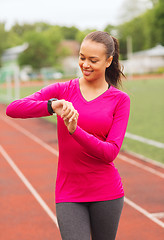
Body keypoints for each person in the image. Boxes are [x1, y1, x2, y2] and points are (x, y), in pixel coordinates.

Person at [6, 31, 130, 240]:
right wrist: (52, 105)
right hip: (69, 192)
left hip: (107, 192)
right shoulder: (63, 90)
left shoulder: (120, 100)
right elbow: (13, 108)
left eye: (93, 60)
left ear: (109, 61)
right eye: (82, 57)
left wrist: (75, 131)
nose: (85, 64)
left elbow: (110, 153)